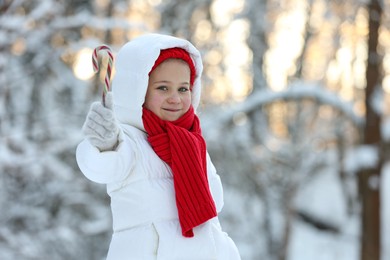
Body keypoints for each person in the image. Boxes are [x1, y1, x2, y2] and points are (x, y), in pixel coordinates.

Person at [76, 33, 241, 260]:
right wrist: (104, 146)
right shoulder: (128, 140)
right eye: (163, 88)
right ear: (139, 91)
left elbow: (214, 203)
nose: (175, 98)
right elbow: (103, 167)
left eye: (183, 89)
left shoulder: (193, 142)